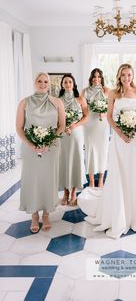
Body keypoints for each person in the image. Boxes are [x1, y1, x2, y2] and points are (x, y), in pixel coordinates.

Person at [78, 64, 136, 238]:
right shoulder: (113, 93)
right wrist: (120, 132)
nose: (126, 78)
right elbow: (110, 116)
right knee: (121, 172)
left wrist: (135, 126)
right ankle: (119, 211)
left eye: (129, 75)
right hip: (119, 139)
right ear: (119, 76)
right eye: (123, 75)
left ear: (132, 76)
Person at [16, 72, 65, 233]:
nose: (43, 84)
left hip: (51, 148)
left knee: (48, 180)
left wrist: (48, 142)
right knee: (32, 180)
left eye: (45, 81)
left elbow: (61, 126)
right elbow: (19, 127)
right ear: (34, 82)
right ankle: (34, 215)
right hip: (31, 149)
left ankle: (46, 214)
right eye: (39, 81)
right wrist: (31, 145)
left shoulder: (57, 102)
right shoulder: (24, 102)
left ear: (49, 84)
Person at [59, 74, 89, 206]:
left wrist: (75, 125)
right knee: (64, 161)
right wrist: (63, 126)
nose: (67, 84)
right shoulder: (57, 100)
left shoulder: (80, 99)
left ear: (74, 84)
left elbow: (86, 116)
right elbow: (55, 117)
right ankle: (65, 192)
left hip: (76, 133)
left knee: (76, 160)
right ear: (62, 85)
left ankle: (73, 192)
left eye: (70, 82)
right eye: (65, 82)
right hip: (63, 134)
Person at [81, 68, 110, 187]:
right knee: (90, 151)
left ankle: (101, 180)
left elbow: (112, 106)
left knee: (103, 151)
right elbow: (82, 108)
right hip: (90, 123)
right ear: (91, 78)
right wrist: (92, 109)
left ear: (101, 78)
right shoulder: (85, 91)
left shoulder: (107, 90)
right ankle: (92, 180)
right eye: (94, 76)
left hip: (102, 123)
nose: (96, 79)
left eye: (99, 76)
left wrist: (104, 112)